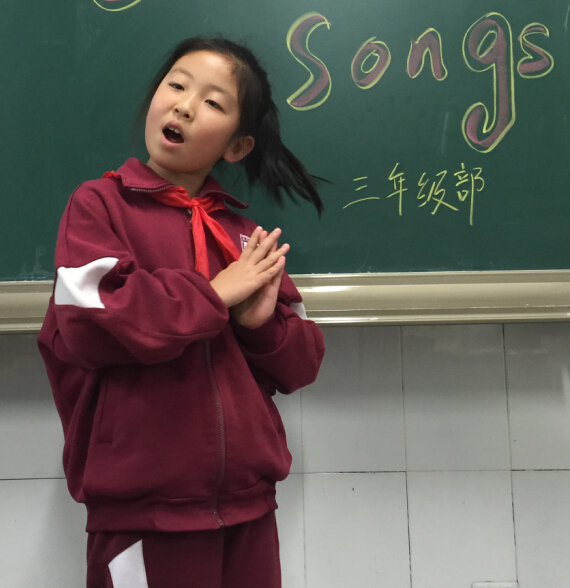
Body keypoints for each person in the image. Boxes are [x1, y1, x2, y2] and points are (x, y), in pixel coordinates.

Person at [38, 37, 325, 588]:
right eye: (176, 85)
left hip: (249, 507)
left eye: (213, 102)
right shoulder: (99, 205)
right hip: (144, 513)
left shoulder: (244, 237)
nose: (185, 106)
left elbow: (301, 363)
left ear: (237, 146)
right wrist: (213, 296)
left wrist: (258, 326)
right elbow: (91, 321)